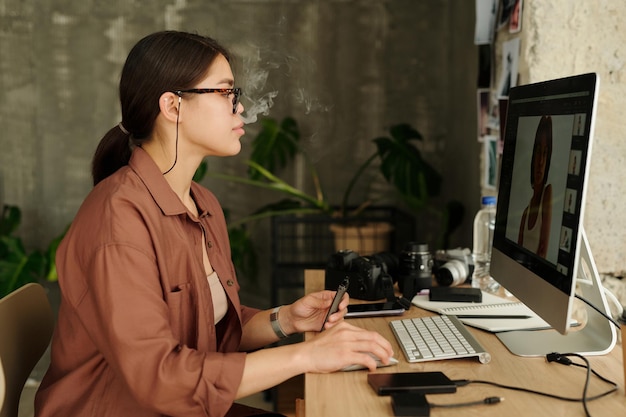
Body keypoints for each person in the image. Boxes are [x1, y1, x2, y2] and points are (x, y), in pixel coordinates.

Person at [34, 30, 393, 417]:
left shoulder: (201, 203)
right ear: (173, 106)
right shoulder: (118, 221)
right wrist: (305, 356)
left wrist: (286, 319)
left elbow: (214, 330)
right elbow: (161, 377)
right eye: (225, 94)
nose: (239, 108)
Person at [518, 115, 553, 258]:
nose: (541, 162)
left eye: (545, 153)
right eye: (539, 152)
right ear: (533, 156)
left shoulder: (548, 193)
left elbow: (543, 252)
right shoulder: (525, 213)